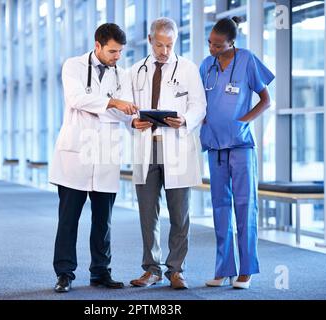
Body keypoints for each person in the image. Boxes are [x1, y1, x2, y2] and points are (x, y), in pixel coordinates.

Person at [49, 23, 137, 293]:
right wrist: (112, 103)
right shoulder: (73, 66)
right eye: (112, 51)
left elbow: (126, 113)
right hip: (75, 155)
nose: (117, 57)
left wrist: (132, 121)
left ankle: (101, 271)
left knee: (103, 220)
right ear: (97, 45)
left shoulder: (122, 75)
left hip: (106, 154)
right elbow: (76, 99)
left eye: (120, 51)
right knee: (69, 219)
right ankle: (64, 273)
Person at [129, 17, 206, 290]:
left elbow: (199, 105)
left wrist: (184, 119)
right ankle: (151, 269)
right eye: (160, 45)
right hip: (146, 146)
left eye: (169, 45)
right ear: (150, 40)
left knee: (180, 214)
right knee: (147, 213)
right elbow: (125, 109)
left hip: (176, 146)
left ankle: (176, 270)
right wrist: (132, 121)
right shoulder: (135, 70)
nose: (164, 51)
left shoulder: (188, 69)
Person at [199, 17, 275, 289]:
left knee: (245, 206)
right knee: (219, 209)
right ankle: (223, 269)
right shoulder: (206, 66)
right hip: (215, 146)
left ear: (231, 42)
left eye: (217, 44)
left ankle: (246, 270)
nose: (212, 48)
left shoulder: (247, 60)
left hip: (241, 146)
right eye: (210, 42)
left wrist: (243, 122)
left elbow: (266, 100)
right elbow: (198, 102)